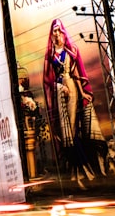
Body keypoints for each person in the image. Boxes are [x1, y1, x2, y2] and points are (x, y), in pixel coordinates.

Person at [42, 18, 104, 189]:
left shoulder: (71, 50)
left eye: (59, 30)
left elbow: (76, 74)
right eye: (54, 30)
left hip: (72, 90)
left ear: (63, 31)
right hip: (58, 92)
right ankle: (79, 172)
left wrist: (83, 92)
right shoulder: (49, 54)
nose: (57, 33)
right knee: (65, 134)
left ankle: (86, 171)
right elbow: (47, 80)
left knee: (73, 130)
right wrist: (58, 86)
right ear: (51, 33)